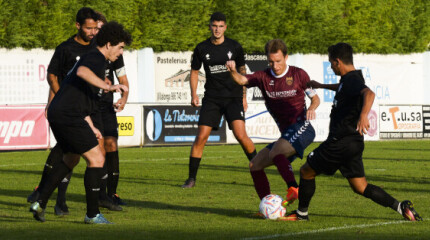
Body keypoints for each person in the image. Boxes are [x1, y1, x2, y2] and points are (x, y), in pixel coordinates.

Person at [283, 42, 422, 221]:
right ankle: (400, 207)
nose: (331, 67)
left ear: (338, 62)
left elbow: (369, 93)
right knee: (360, 186)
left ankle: (301, 214)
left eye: (331, 63)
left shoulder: (353, 80)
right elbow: (342, 88)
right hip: (353, 143)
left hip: (339, 142)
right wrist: (322, 85)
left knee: (306, 171)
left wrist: (364, 115)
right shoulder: (350, 79)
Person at [29, 21, 132, 224]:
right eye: (120, 47)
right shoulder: (96, 57)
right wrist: (108, 87)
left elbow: (80, 97)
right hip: (67, 115)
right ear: (109, 44)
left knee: (71, 158)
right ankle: (92, 214)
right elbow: (81, 72)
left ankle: (39, 201)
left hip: (62, 112)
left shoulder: (93, 59)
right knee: (97, 159)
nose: (120, 53)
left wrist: (91, 126)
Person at [226, 39, 320, 207]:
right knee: (254, 164)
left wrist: (312, 108)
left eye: (278, 61)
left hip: (303, 128)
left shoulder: (299, 74)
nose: (275, 65)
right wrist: (232, 70)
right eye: (271, 61)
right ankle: (268, 206)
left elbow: (315, 98)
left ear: (286, 57)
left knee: (277, 151)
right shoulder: (263, 77)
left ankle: (293, 188)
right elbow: (241, 80)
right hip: (286, 135)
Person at [27, 7, 100, 215]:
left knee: (70, 155)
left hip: (86, 109)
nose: (93, 32)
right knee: (70, 155)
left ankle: (45, 199)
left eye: (95, 28)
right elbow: (52, 76)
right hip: (69, 113)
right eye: (89, 28)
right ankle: (57, 201)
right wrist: (62, 100)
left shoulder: (96, 48)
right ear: (78, 26)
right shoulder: (65, 49)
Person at [181, 12, 256, 188]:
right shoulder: (201, 48)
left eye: (221, 26)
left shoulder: (235, 47)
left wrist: (244, 96)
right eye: (214, 26)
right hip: (212, 98)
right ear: (210, 26)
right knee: (201, 137)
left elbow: (243, 72)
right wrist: (193, 94)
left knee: (240, 134)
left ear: (225, 28)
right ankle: (191, 179)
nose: (217, 29)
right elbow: (193, 72)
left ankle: (257, 169)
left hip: (233, 97)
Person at [96, 13, 129, 206]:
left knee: (112, 146)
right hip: (90, 107)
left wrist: (124, 98)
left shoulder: (115, 55)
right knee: (98, 151)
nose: (97, 32)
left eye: (101, 28)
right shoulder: (88, 52)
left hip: (107, 107)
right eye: (95, 28)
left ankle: (112, 193)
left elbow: (123, 81)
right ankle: (100, 195)